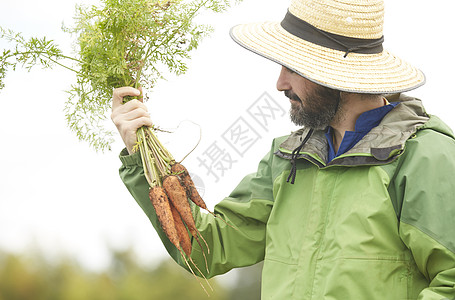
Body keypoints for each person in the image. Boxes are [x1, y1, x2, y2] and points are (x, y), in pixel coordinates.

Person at [111, 0, 455, 298]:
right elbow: (207, 248)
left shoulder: (424, 156)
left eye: (293, 67)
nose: (280, 83)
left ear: (337, 71)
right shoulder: (286, 160)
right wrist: (142, 157)